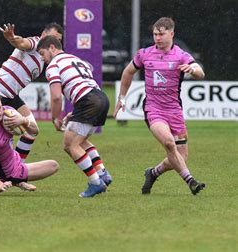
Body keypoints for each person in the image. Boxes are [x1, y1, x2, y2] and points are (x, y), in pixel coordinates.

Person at [113, 17, 206, 195]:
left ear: (171, 34)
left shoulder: (181, 55)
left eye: (161, 34)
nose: (157, 38)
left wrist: (193, 70)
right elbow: (128, 72)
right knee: (169, 144)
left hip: (174, 110)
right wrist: (122, 99)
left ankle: (152, 173)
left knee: (181, 157)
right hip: (153, 109)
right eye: (155, 34)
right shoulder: (145, 54)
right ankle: (191, 181)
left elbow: (200, 73)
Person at [0, 22, 63, 162]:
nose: (55, 42)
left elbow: (6, 72)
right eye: (53, 37)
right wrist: (11, 37)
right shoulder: (35, 43)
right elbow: (22, 42)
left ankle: (16, 166)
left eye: (59, 40)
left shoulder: (43, 58)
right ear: (43, 35)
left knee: (32, 130)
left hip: (10, 96)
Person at [36, 36, 111, 198]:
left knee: (70, 145)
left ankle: (96, 183)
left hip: (88, 101)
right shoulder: (76, 59)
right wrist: (75, 111)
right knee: (80, 141)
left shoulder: (53, 66)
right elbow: (85, 84)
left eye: (42, 54)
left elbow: (56, 97)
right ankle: (102, 173)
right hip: (101, 98)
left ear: (51, 47)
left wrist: (55, 118)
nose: (42, 59)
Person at [0, 91, 59, 191]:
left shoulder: (8, 112)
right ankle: (15, 181)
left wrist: (24, 121)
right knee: (53, 165)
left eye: (0, 107)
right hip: (11, 173)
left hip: (16, 161)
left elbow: (34, 132)